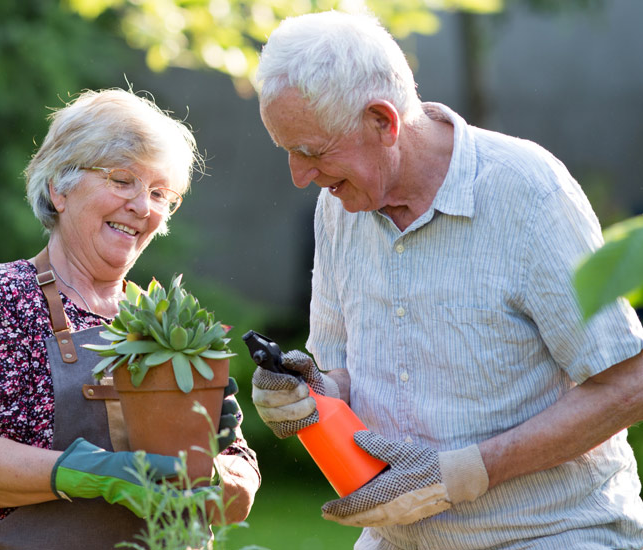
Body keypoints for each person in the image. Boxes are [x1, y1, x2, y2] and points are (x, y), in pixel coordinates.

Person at [249, 10, 643, 550]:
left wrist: (466, 472)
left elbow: (627, 382)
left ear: (382, 122)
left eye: (312, 152)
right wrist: (307, 394)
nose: (299, 176)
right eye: (288, 152)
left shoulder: (526, 191)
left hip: (551, 532)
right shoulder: (336, 208)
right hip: (397, 537)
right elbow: (341, 373)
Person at [0, 89, 260, 550]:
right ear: (59, 189)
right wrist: (100, 473)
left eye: (160, 193)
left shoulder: (167, 320)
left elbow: (235, 469)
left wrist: (223, 477)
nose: (143, 207)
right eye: (122, 180)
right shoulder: (2, 298)